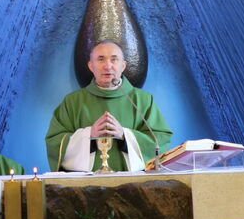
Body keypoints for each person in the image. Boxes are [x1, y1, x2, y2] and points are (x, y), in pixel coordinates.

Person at [45, 41, 172, 172]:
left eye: (114, 59)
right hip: (85, 187)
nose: (108, 66)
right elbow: (55, 142)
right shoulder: (72, 101)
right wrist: (89, 134)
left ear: (123, 66)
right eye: (100, 59)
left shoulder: (143, 100)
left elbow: (160, 140)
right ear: (91, 66)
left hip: (133, 184)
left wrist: (125, 135)